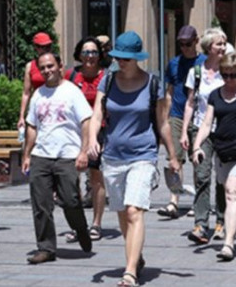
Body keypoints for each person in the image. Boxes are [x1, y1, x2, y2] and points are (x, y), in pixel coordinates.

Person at [87, 31, 180, 287]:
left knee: (133, 210)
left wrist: (173, 156)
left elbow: (162, 123)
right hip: (113, 156)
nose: (121, 62)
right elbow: (97, 115)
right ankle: (135, 257)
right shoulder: (107, 81)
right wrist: (92, 139)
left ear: (137, 58)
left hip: (143, 154)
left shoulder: (152, 83)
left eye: (126, 58)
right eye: (118, 57)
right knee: (122, 213)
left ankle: (130, 272)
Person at [22, 52, 94, 264]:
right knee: (41, 204)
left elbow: (86, 122)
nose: (47, 71)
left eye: (50, 66)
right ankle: (46, 248)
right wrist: (27, 154)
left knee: (70, 200)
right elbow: (32, 126)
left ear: (60, 66)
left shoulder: (72, 92)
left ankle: (80, 228)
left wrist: (83, 151)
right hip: (41, 155)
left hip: (67, 155)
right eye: (43, 67)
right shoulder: (38, 94)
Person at [192, 53, 236, 261]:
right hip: (222, 149)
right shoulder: (215, 95)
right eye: (225, 75)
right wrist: (197, 146)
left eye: (233, 75)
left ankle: (228, 243)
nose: (229, 79)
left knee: (232, 191)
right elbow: (206, 123)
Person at [181, 27, 227, 244]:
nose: (223, 47)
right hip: (200, 130)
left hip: (224, 131)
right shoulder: (196, 72)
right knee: (201, 176)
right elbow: (190, 103)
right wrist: (184, 131)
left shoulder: (229, 70)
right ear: (209, 47)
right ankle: (201, 224)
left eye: (224, 43)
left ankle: (222, 222)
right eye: (219, 44)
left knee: (222, 178)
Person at [156, 25, 206, 219]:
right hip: (177, 115)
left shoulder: (204, 62)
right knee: (174, 158)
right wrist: (166, 117)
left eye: (188, 43)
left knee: (197, 160)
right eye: (181, 44)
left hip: (198, 116)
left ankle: (197, 202)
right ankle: (173, 201)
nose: (184, 48)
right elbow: (169, 91)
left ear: (196, 41)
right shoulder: (174, 63)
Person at [64, 36, 106, 243]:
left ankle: (96, 223)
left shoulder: (106, 77)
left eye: (94, 52)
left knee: (96, 177)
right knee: (73, 179)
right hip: (75, 132)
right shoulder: (71, 76)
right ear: (79, 55)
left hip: (100, 131)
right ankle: (78, 224)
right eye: (86, 52)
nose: (90, 56)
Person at [17, 32, 53, 130]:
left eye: (48, 46)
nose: (46, 49)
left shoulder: (57, 65)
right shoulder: (30, 66)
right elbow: (26, 93)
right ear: (36, 48)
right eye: (43, 47)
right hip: (37, 106)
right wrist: (21, 116)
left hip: (54, 105)